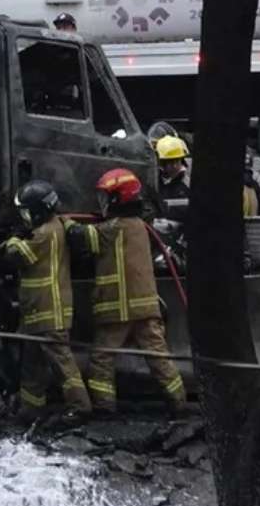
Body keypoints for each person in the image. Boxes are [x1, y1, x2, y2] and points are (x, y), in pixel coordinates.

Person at [77, 169, 188, 415]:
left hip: (118, 308)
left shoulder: (111, 229)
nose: (103, 203)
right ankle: (179, 403)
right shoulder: (140, 226)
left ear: (117, 199)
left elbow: (82, 238)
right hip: (147, 307)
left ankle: (104, 408)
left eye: (106, 198)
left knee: (102, 361)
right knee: (159, 358)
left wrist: (63, 223)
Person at [0, 180, 91, 422]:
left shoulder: (45, 233)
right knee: (32, 365)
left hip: (49, 311)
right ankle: (31, 408)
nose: (25, 217)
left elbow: (17, 256)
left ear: (39, 210)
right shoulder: (55, 226)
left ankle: (80, 407)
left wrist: (14, 239)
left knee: (62, 363)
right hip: (37, 312)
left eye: (27, 212)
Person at [155, 135, 191, 201]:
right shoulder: (154, 182)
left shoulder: (187, 186)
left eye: (177, 161)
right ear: (162, 163)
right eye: (170, 162)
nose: (175, 166)